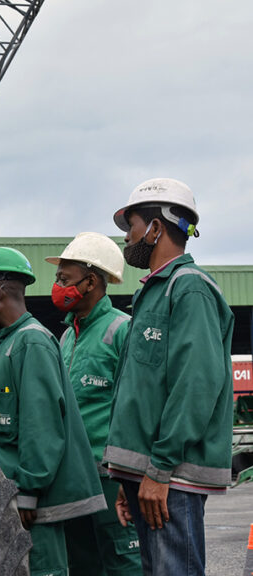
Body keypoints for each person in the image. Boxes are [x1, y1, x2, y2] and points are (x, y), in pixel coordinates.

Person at [104, 178, 234, 576]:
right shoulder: (152, 292)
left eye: (131, 226)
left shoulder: (188, 288)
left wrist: (158, 471)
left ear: (156, 227)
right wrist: (129, 476)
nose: (127, 238)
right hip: (151, 475)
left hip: (170, 476)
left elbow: (196, 384)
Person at [0, 246, 106, 576]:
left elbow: (40, 424)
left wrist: (28, 491)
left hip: (32, 506)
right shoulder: (11, 341)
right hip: (14, 499)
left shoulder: (31, 342)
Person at [45, 232, 142, 575]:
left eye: (64, 279)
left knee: (124, 562)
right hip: (75, 476)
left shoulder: (122, 330)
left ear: (90, 282)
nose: (56, 286)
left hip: (112, 476)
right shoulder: (67, 336)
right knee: (82, 561)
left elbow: (136, 405)